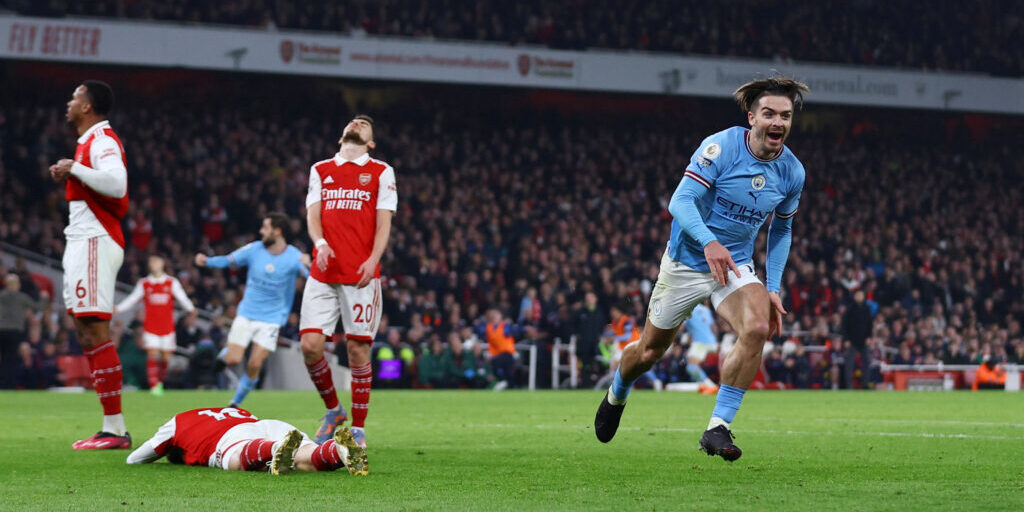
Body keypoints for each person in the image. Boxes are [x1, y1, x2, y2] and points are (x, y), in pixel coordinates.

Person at [593, 76, 809, 462]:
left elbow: (782, 228)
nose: (778, 122)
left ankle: (717, 427)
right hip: (686, 262)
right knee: (649, 351)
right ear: (752, 117)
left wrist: (772, 287)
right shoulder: (722, 146)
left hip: (735, 264)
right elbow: (681, 200)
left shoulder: (792, 171)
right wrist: (709, 242)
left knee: (758, 326)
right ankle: (618, 390)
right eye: (770, 114)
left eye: (786, 116)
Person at [299, 115, 397, 447]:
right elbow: (314, 214)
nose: (357, 123)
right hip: (323, 271)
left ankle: (358, 428)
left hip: (360, 275)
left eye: (365, 124)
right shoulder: (321, 169)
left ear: (371, 143)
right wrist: (320, 244)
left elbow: (384, 222)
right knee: (310, 346)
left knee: (357, 349)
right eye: (354, 121)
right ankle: (334, 410)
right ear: (342, 135)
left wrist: (374, 259)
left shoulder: (381, 172)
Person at [49, 80, 132, 450]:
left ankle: (115, 429)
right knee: (85, 330)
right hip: (83, 239)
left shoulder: (102, 140)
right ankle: (110, 426)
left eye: (75, 97)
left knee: (96, 330)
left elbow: (117, 184)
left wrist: (75, 169)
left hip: (96, 239)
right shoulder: (88, 142)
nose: (69, 102)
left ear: (88, 106)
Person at [195, 213, 310, 408]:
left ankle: (235, 403)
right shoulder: (254, 249)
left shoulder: (294, 257)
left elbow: (312, 278)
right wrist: (207, 261)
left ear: (277, 231)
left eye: (265, 228)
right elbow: (228, 260)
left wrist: (310, 264)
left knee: (255, 363)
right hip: (247, 314)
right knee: (234, 358)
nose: (261, 232)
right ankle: (224, 355)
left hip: (273, 319)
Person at [126, 407, 367, 475]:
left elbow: (135, 459)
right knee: (308, 461)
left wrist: (167, 448)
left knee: (236, 460)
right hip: (267, 423)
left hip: (232, 439)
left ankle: (274, 450)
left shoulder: (177, 422)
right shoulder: (229, 410)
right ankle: (337, 450)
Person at [115, 255, 197, 395]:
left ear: (162, 263)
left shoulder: (171, 282)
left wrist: (191, 309)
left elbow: (182, 297)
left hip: (167, 327)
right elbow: (133, 298)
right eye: (151, 262)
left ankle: (160, 381)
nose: (154, 264)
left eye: (156, 261)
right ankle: (154, 385)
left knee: (165, 358)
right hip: (151, 326)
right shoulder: (144, 283)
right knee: (152, 354)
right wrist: (119, 308)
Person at [0, 273, 47, 388]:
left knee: (4, 358)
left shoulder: (1, 296)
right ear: (16, 285)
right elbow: (38, 307)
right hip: (15, 332)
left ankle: (3, 384)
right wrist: (44, 298)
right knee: (12, 358)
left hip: (1, 331)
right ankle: (10, 384)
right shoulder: (22, 297)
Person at [683, 301, 720, 394]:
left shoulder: (688, 309)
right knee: (695, 363)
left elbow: (680, 327)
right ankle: (702, 386)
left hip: (701, 342)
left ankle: (711, 386)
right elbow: (714, 328)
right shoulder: (706, 310)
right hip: (712, 342)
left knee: (691, 367)